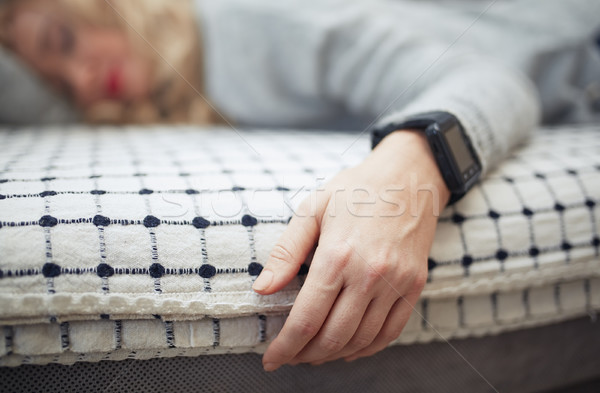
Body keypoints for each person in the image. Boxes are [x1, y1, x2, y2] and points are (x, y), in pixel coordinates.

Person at [0, 0, 598, 372]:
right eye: (62, 82)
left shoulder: (246, 23)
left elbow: (494, 79)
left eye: (64, 40)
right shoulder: (182, 92)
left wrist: (408, 172)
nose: (82, 79)